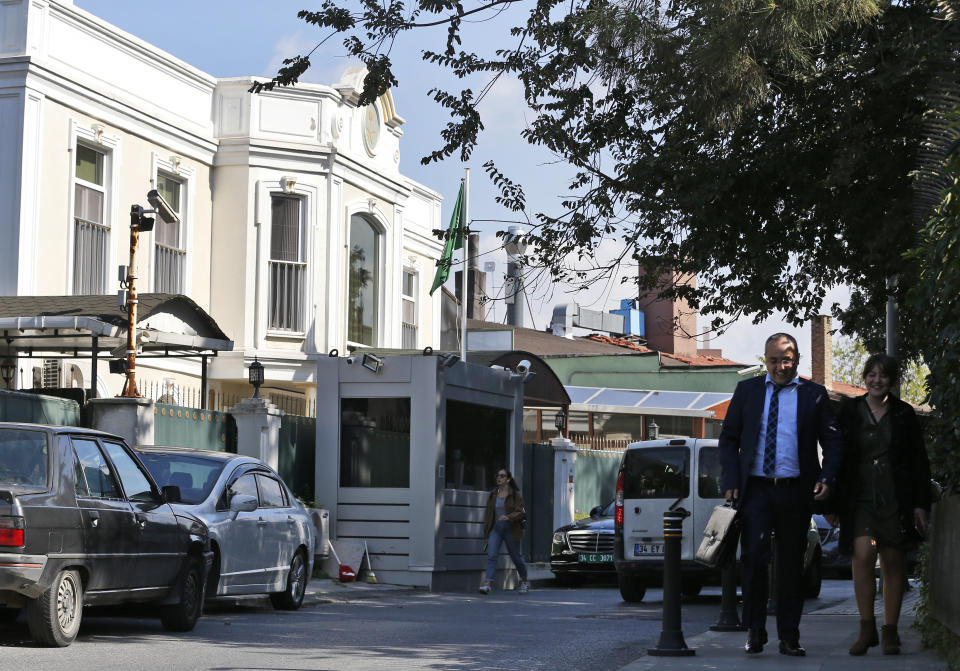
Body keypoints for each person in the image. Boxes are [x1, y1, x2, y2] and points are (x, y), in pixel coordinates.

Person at [719, 333, 843, 656]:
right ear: (766, 361)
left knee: (790, 565)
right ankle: (755, 631)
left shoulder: (814, 395)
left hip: (795, 491)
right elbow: (729, 439)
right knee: (754, 560)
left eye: (786, 360)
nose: (780, 367)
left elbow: (833, 442)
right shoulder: (748, 391)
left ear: (797, 360)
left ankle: (789, 636)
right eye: (774, 360)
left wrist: (827, 478)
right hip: (756, 490)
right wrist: (730, 478)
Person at [829, 353, 931, 655]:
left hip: (895, 496)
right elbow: (836, 456)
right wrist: (832, 502)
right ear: (865, 378)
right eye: (871, 374)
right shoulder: (849, 411)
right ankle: (866, 627)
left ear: (892, 379)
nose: (876, 380)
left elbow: (918, 462)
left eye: (883, 375)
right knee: (861, 553)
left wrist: (920, 504)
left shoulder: (904, 414)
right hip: (858, 495)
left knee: (892, 560)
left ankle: (889, 630)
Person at [478, 468, 530, 594]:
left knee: (515, 557)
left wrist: (508, 517)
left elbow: (520, 511)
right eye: (498, 475)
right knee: (492, 555)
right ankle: (488, 584)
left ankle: (524, 581)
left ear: (508, 479)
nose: (499, 478)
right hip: (496, 529)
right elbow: (489, 514)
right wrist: (486, 533)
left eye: (502, 476)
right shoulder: (493, 494)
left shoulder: (515, 495)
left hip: (511, 529)